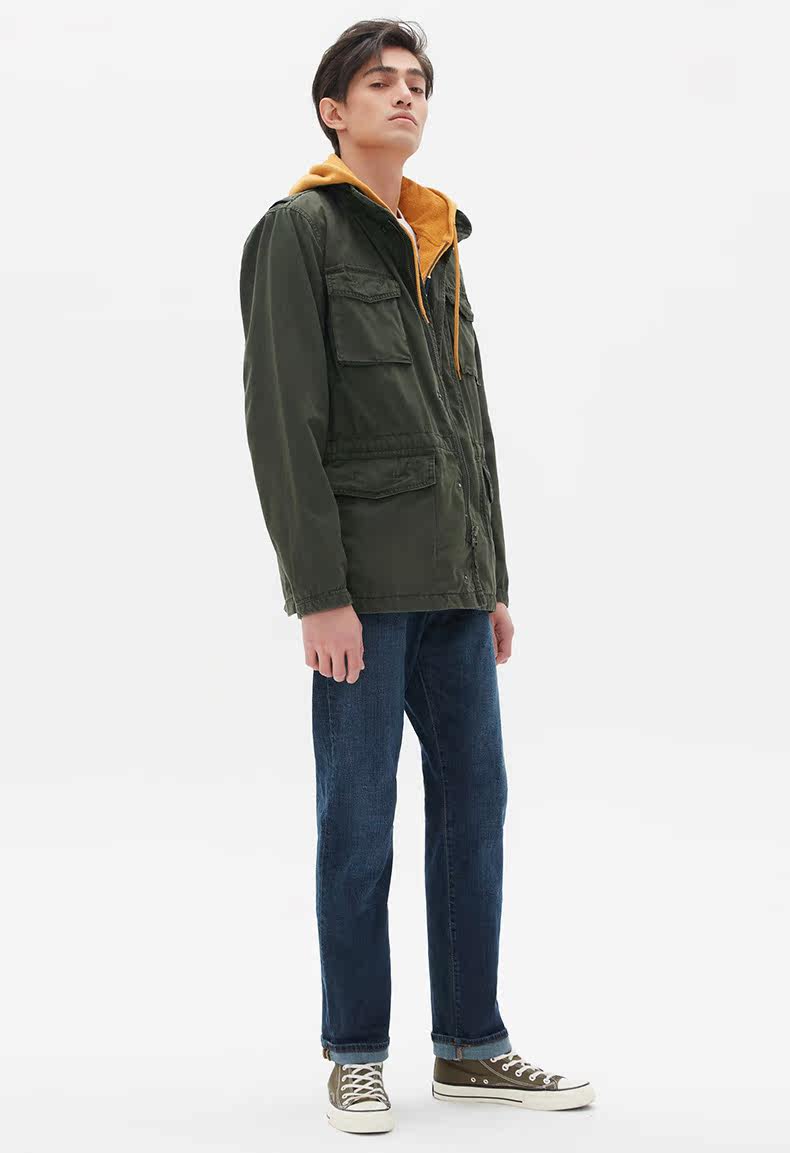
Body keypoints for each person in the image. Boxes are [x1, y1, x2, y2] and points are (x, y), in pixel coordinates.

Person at [239, 18, 595, 1136]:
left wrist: (490, 577)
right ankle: (355, 1053)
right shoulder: (297, 231)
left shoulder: (436, 239)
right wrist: (317, 592)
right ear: (332, 110)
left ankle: (471, 1045)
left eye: (418, 84)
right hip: (361, 592)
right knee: (358, 822)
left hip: (452, 587)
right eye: (379, 82)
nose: (405, 96)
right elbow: (283, 423)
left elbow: (466, 425)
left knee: (475, 808)